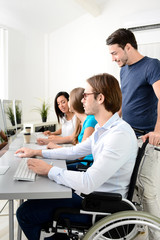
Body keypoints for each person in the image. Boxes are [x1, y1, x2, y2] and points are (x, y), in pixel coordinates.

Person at [15, 73, 137, 240]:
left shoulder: (119, 135)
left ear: (100, 98)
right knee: (40, 196)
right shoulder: (104, 130)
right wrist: (37, 152)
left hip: (100, 208)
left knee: (24, 213)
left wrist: (50, 170)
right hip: (91, 197)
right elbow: (74, 151)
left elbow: (88, 183)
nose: (81, 100)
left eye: (86, 95)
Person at [106, 28, 160, 237]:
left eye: (114, 53)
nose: (113, 58)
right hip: (128, 136)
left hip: (147, 138)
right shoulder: (124, 69)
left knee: (148, 191)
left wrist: (157, 131)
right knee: (132, 189)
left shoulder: (152, 65)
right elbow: (124, 103)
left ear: (128, 47)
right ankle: (139, 230)